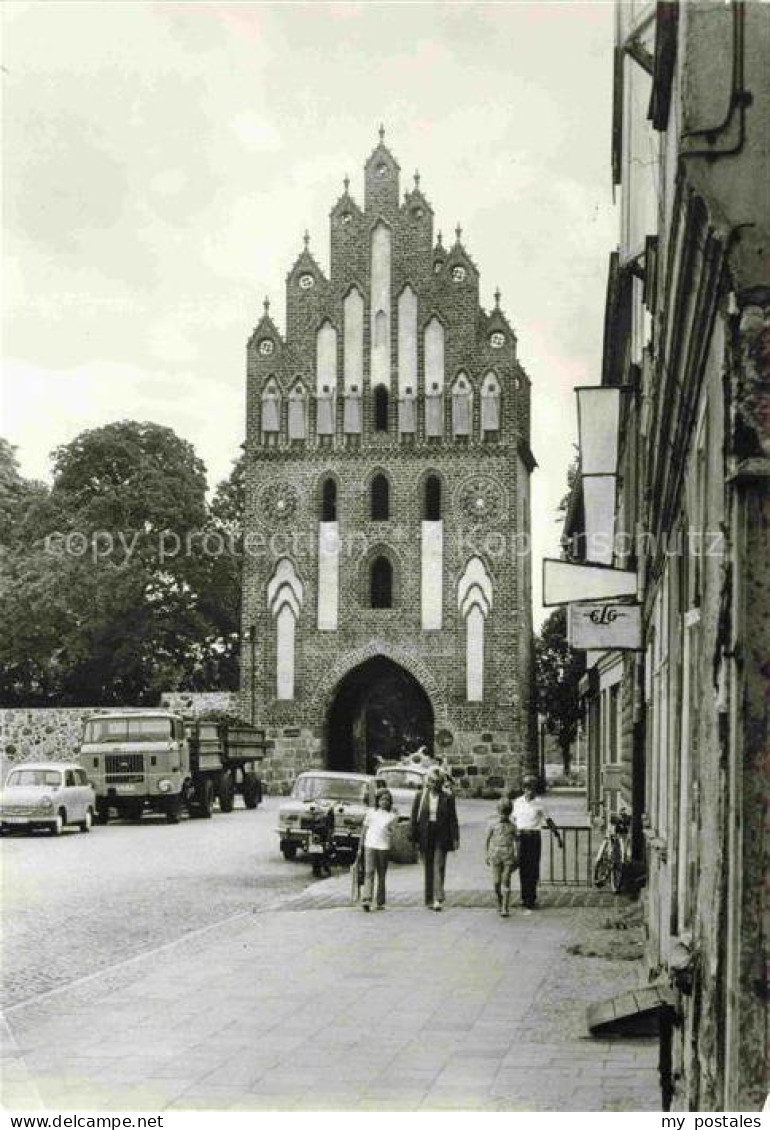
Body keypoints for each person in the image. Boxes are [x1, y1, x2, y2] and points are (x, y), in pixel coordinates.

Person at [410, 768, 459, 911]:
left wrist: (455, 838)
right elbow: (414, 818)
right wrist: (413, 837)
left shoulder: (448, 797)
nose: (434, 784)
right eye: (431, 781)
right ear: (427, 782)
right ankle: (428, 899)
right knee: (428, 867)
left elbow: (453, 819)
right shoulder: (420, 796)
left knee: (439, 865)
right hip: (426, 833)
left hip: (441, 834)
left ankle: (438, 898)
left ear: (441, 783)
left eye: (437, 782)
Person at [512, 774, 563, 912]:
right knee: (523, 867)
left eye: (532, 788)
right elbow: (514, 821)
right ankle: (524, 897)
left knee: (533, 868)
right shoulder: (517, 802)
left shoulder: (540, 803)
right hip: (522, 836)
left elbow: (548, 820)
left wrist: (557, 835)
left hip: (534, 837)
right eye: (527, 787)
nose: (530, 791)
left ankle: (531, 898)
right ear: (523, 788)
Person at [357, 789, 398, 911]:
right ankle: (367, 898)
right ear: (377, 800)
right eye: (381, 799)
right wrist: (360, 847)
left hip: (383, 846)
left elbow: (392, 832)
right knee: (369, 872)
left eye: (387, 800)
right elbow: (364, 831)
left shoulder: (392, 816)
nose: (384, 802)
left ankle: (380, 901)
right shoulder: (371, 813)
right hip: (370, 844)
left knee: (381, 874)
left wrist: (394, 820)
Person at [485, 798, 518, 917]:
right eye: (501, 812)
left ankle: (505, 907)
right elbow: (487, 839)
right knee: (496, 882)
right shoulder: (493, 825)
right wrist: (486, 854)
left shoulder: (513, 827)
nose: (503, 815)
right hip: (495, 855)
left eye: (506, 813)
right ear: (498, 811)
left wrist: (517, 856)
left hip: (508, 855)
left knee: (506, 881)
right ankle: (499, 899)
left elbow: (517, 841)